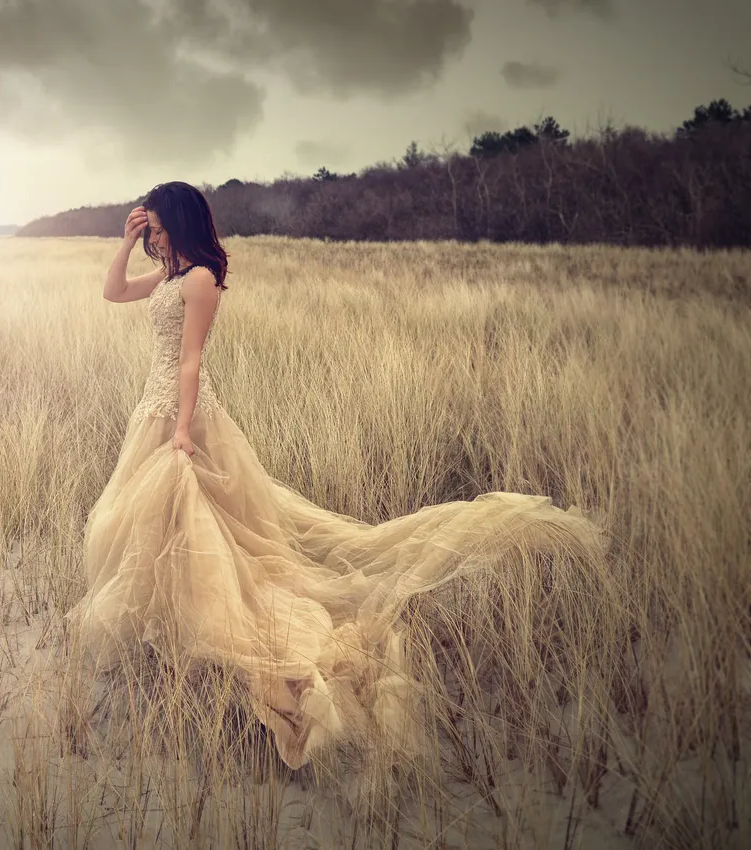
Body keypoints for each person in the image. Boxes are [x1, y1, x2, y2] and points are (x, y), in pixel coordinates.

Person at [63, 180, 611, 770]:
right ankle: (173, 640)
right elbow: (114, 292)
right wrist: (125, 242)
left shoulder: (198, 279)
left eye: (161, 225)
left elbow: (191, 359)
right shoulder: (171, 276)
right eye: (152, 227)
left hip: (182, 413)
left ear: (182, 221)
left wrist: (182, 427)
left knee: (201, 530)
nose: (156, 234)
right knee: (165, 527)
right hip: (155, 408)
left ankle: (210, 637)